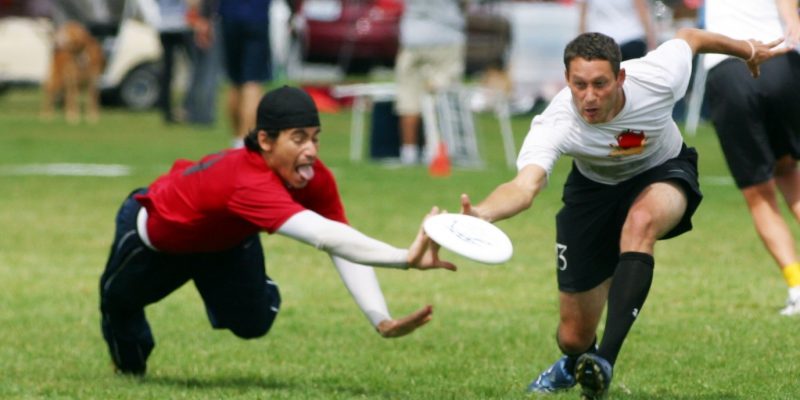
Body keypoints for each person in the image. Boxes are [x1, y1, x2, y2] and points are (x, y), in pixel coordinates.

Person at [457, 30, 788, 398]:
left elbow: (691, 37)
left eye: (600, 84)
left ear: (621, 78)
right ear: (567, 81)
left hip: (664, 169)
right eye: (579, 85)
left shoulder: (657, 78)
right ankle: (577, 360)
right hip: (593, 192)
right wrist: (482, 213)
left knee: (640, 223)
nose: (589, 96)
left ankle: (605, 360)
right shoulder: (557, 121)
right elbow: (525, 186)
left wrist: (747, 50)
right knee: (571, 337)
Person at [99, 86, 457, 375]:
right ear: (266, 141)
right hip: (158, 238)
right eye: (299, 139)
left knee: (254, 322)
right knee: (119, 305)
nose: (311, 150)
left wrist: (380, 318)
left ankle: (241, 283)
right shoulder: (247, 180)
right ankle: (129, 369)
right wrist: (404, 258)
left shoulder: (313, 178)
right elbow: (325, 236)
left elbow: (338, 241)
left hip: (225, 241)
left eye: (315, 138)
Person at [703, 0, 800, 316]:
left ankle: (797, 288)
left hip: (729, 68)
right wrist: (790, 19)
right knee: (788, 173)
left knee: (759, 193)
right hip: (782, 61)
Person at [394, 0, 466, 165]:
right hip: (446, 36)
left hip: (413, 36)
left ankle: (409, 152)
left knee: (409, 98)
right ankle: (436, 150)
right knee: (443, 97)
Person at [215, 0, 273, 148]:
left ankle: (236, 139)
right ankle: (245, 141)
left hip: (229, 17)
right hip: (256, 16)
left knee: (235, 82)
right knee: (253, 81)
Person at [138, 0, 197, 124]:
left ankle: (166, 109)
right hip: (182, 25)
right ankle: (189, 106)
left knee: (167, 70)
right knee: (195, 68)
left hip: (164, 25)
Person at [578, 0, 657, 61]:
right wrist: (651, 39)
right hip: (631, 36)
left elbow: (583, 17)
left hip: (601, 40)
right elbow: (642, 10)